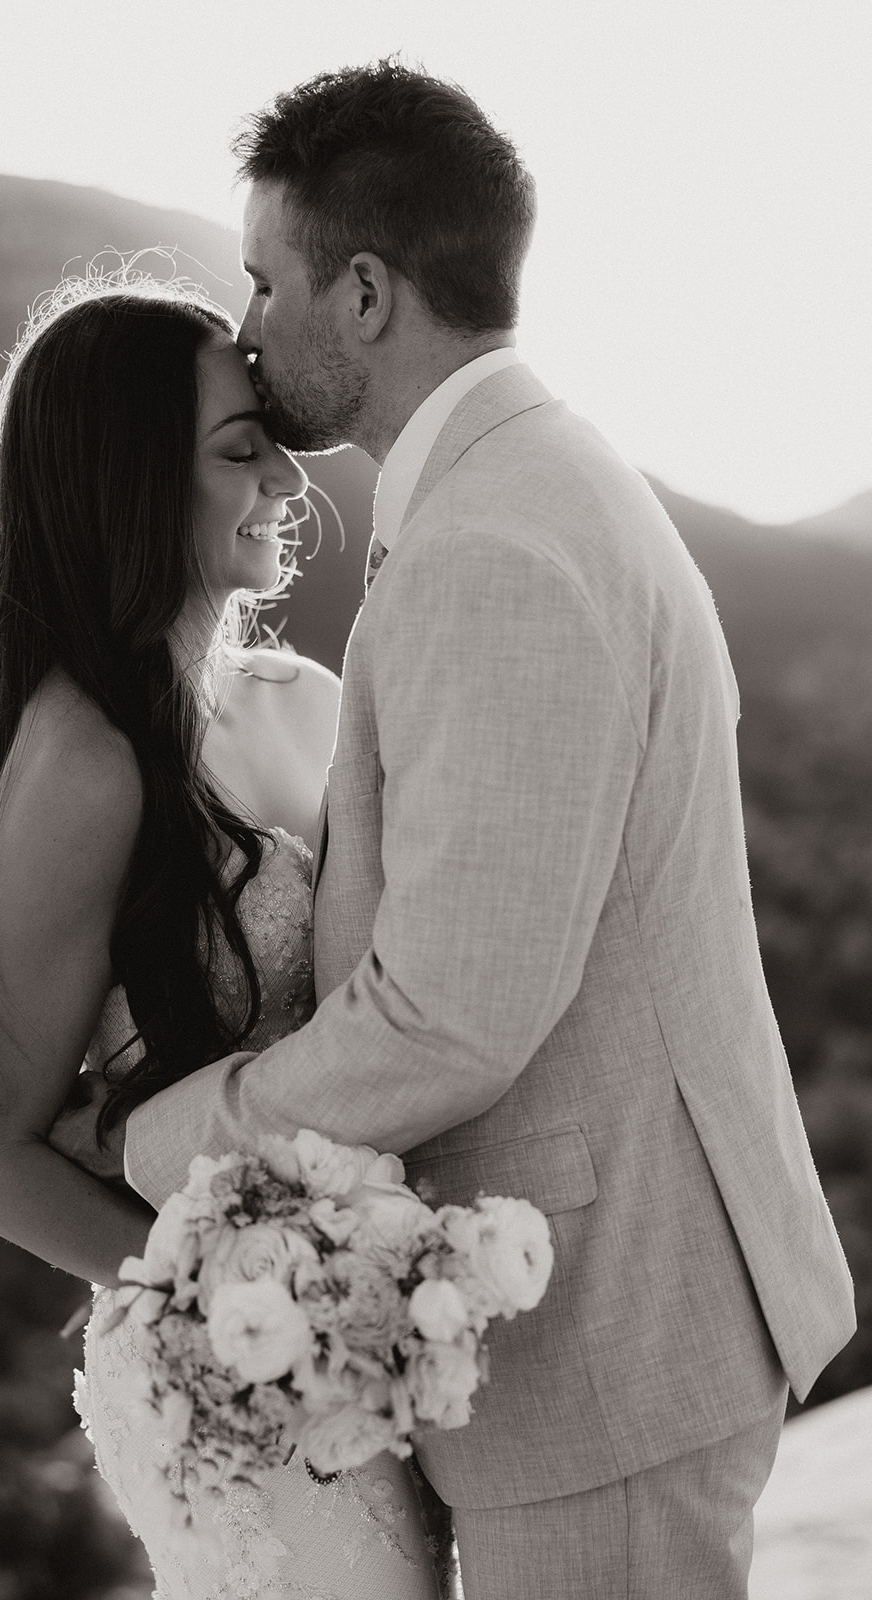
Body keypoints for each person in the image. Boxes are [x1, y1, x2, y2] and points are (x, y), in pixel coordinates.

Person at [59, 61, 857, 1600]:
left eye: (264, 277)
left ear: (363, 294)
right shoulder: (530, 487)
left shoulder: (495, 541)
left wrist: (167, 1141)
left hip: (614, 1349)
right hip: (618, 1322)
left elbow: (450, 1016)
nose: (244, 326)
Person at [0, 278, 447, 1599]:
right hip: (223, 1368)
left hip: (370, 1341)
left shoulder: (305, 703)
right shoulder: (84, 762)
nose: (287, 473)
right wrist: (241, 1301)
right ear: (127, 486)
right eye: (238, 450)